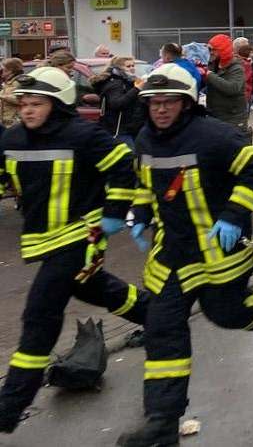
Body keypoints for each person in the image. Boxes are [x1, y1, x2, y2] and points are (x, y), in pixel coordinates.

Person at [117, 64, 253, 446]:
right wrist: (140, 214)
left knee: (224, 313)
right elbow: (145, 184)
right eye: (154, 103)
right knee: (162, 332)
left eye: (169, 102)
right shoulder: (145, 139)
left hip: (218, 250)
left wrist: (233, 215)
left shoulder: (214, 135)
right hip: (172, 254)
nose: (160, 110)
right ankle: (162, 423)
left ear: (186, 103)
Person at [0, 67, 148, 434]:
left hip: (83, 235)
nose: (28, 111)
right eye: (24, 104)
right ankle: (160, 318)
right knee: (94, 288)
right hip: (43, 241)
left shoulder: (83, 135)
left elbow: (123, 168)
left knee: (39, 315)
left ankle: (10, 407)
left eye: (36, 104)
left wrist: (114, 215)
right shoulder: (14, 138)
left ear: (57, 104)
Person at [90, 57, 146, 148]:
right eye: (128, 66)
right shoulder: (116, 84)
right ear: (118, 68)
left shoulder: (130, 81)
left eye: (133, 65)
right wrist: (136, 89)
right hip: (119, 132)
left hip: (133, 130)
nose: (132, 68)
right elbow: (117, 104)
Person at [203, 34, 249, 139]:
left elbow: (232, 88)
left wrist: (209, 75)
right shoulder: (213, 64)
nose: (211, 53)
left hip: (233, 119)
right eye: (209, 50)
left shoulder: (237, 68)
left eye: (214, 50)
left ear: (222, 50)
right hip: (216, 117)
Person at [0, 58, 23, 128]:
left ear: (10, 71)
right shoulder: (7, 83)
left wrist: (2, 96)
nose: (1, 70)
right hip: (5, 122)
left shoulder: (18, 82)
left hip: (14, 122)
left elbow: (20, 100)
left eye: (3, 69)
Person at [236, 44, 253, 113]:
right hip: (245, 92)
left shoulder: (247, 62)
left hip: (247, 92)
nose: (252, 54)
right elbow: (245, 78)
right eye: (251, 52)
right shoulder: (245, 64)